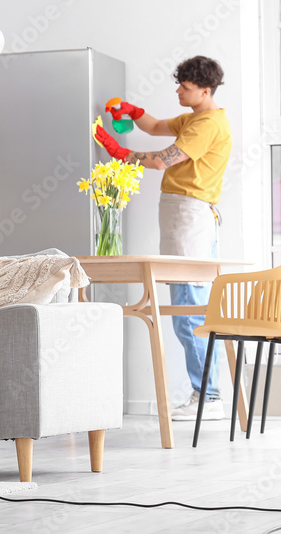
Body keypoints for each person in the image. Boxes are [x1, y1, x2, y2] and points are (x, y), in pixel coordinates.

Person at [95, 55, 231, 422]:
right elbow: (155, 126)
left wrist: (120, 153)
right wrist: (132, 111)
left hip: (189, 216)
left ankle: (210, 396)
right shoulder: (195, 118)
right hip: (184, 215)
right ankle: (208, 393)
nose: (178, 91)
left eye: (184, 88)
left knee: (189, 309)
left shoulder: (207, 125)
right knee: (190, 305)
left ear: (204, 90)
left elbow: (161, 160)